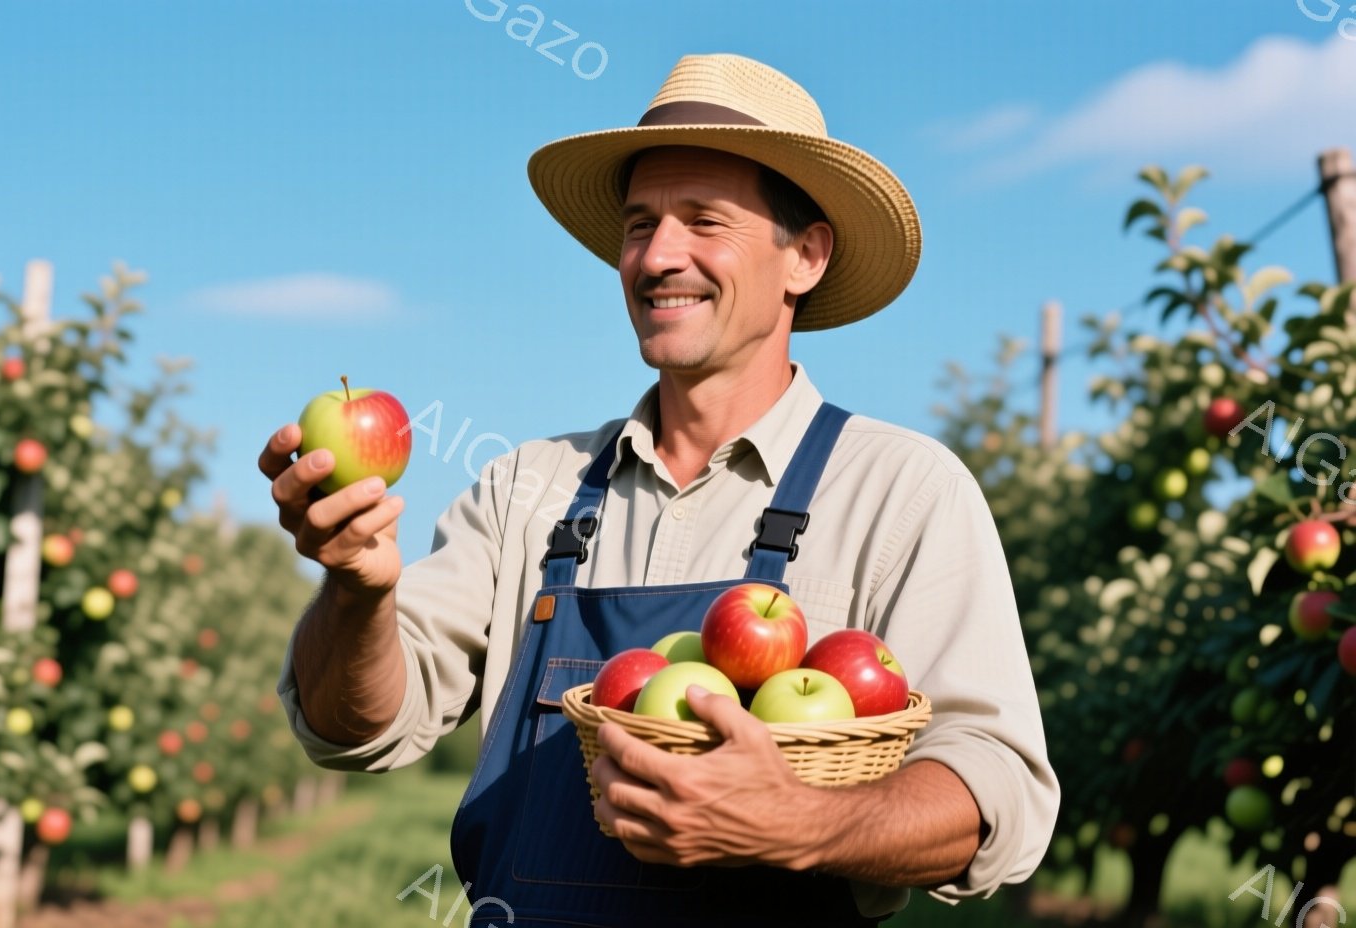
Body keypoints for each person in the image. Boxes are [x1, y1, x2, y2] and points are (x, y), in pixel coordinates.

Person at [261, 53, 1058, 927]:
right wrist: (355, 591)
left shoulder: (900, 492)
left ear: (805, 255)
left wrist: (800, 822)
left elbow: (992, 792)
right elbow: (355, 729)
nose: (657, 256)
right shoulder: (528, 488)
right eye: (640, 225)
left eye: (703, 220)